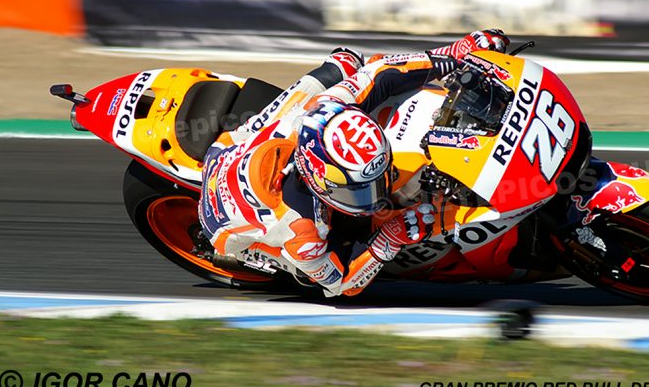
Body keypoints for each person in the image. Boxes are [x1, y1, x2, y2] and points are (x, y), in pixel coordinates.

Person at [197, 30, 510, 296]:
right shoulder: (302, 232)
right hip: (227, 218)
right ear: (320, 184)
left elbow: (381, 74)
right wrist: (387, 241)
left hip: (238, 145)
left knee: (349, 61)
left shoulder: (326, 108)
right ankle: (267, 258)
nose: (378, 193)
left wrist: (455, 54)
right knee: (308, 270)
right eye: (360, 190)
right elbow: (340, 284)